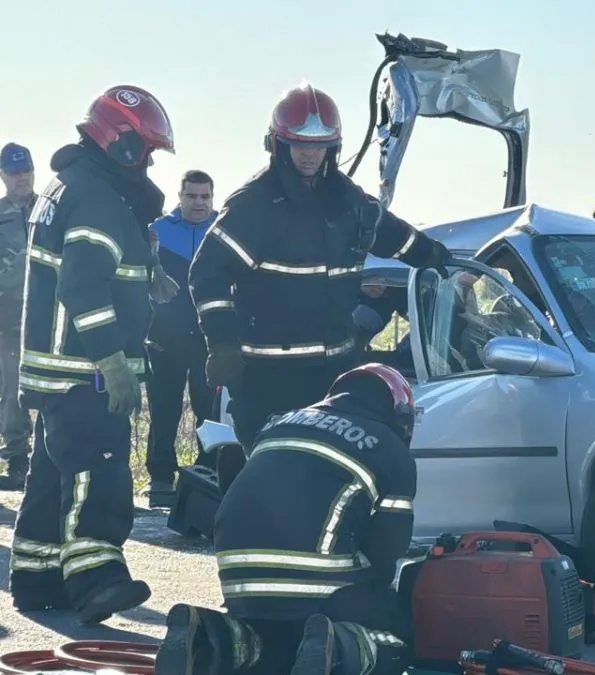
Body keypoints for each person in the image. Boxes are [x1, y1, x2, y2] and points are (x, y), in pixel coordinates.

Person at [189, 82, 451, 493]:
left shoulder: (348, 203)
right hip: (267, 378)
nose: (310, 154)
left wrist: (438, 259)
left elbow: (397, 238)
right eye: (299, 144)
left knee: (328, 482)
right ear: (279, 145)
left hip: (334, 376)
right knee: (275, 484)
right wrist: (222, 344)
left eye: (320, 145)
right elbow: (207, 274)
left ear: (333, 147)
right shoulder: (253, 206)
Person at [9, 85, 175, 623]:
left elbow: (90, 270)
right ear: (121, 143)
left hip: (55, 370)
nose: (147, 161)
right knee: (97, 472)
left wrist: (147, 273)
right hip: (85, 371)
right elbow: (83, 287)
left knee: (52, 473)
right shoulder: (98, 198)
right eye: (144, 149)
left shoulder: (70, 186)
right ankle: (97, 579)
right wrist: (110, 361)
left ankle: (37, 577)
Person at [156, 362, 418, 675]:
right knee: (396, 632)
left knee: (273, 643)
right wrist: (371, 599)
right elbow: (387, 549)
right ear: (401, 417)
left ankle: (209, 637)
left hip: (240, 578)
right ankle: (340, 647)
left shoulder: (278, 423)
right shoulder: (390, 448)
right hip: (320, 587)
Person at [144, 169, 218, 507]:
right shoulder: (157, 232)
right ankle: (160, 476)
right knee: (163, 408)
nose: (198, 203)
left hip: (208, 338)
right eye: (192, 196)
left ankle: (208, 471)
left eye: (205, 197)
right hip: (165, 337)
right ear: (180, 196)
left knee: (209, 409)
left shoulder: (221, 231)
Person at [0, 143, 36, 490]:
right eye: (13, 173)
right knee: (11, 391)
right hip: (7, 320)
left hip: (46, 318)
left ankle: (50, 459)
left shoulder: (50, 210)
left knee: (53, 391)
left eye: (25, 171)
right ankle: (17, 459)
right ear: (3, 176)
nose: (20, 178)